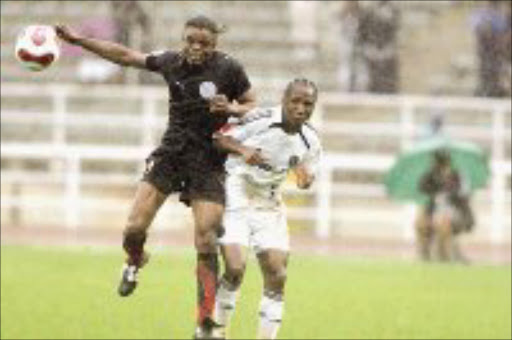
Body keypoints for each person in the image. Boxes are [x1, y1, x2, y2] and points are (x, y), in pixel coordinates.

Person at [55, 15, 257, 339]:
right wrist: (80, 42)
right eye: (191, 39)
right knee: (133, 229)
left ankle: (204, 322)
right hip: (171, 154)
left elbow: (253, 105)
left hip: (209, 159)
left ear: (214, 46)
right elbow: (124, 55)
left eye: (204, 43)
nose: (195, 47)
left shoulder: (229, 69)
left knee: (206, 239)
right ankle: (135, 260)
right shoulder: (171, 62)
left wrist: (232, 108)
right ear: (184, 38)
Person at [210, 78, 322, 339]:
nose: (301, 108)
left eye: (308, 104)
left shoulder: (311, 140)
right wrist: (242, 149)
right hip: (237, 192)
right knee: (235, 268)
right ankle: (216, 332)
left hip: (268, 204)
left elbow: (307, 175)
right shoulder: (260, 118)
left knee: (277, 274)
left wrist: (305, 179)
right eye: (295, 101)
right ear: (283, 100)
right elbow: (218, 138)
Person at [415, 150, 475, 263]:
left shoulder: (458, 176)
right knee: (421, 222)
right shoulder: (431, 176)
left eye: (438, 162)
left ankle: (445, 255)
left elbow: (464, 196)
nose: (435, 165)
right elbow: (422, 188)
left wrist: (449, 191)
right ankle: (425, 253)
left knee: (443, 223)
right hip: (435, 213)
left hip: (455, 213)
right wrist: (434, 183)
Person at [358, 0, 400, 93]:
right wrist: (367, 45)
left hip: (386, 48)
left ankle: (387, 92)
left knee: (386, 74)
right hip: (372, 47)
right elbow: (362, 28)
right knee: (372, 74)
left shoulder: (392, 10)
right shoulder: (368, 10)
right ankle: (372, 91)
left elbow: (393, 29)